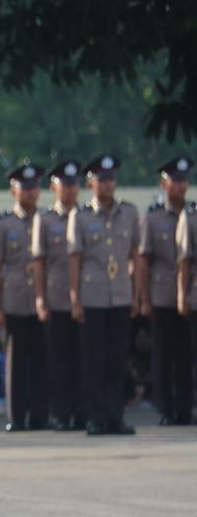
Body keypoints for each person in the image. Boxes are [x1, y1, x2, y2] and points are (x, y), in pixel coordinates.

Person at [70, 155, 143, 436]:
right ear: (91, 183)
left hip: (121, 294)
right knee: (94, 360)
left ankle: (116, 415)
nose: (108, 184)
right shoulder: (81, 216)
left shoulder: (129, 213)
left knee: (116, 359)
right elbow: (75, 260)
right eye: (102, 179)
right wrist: (75, 298)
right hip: (93, 295)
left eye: (111, 179)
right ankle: (96, 416)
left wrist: (136, 293)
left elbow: (134, 255)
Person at [0, 164, 48, 431]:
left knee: (41, 360)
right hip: (14, 298)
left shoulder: (47, 219)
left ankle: (39, 415)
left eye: (35, 186)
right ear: (14, 190)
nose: (30, 192)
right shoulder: (2, 222)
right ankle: (16, 416)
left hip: (43, 298)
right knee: (15, 360)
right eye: (25, 187)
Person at [142, 156, 192, 425]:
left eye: (184, 180)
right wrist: (144, 298)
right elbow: (143, 260)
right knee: (163, 355)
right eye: (175, 180)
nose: (180, 186)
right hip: (162, 293)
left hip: (192, 295)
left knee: (187, 354)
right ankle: (166, 409)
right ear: (164, 183)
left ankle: (185, 408)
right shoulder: (152, 217)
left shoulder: (193, 213)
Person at [35, 161, 85, 430]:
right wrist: (40, 298)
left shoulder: (88, 216)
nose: (69, 191)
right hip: (56, 298)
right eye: (64, 186)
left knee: (84, 359)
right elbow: (39, 263)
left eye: (73, 185)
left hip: (87, 298)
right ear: (54, 187)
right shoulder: (44, 220)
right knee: (59, 360)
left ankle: (83, 412)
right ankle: (62, 414)